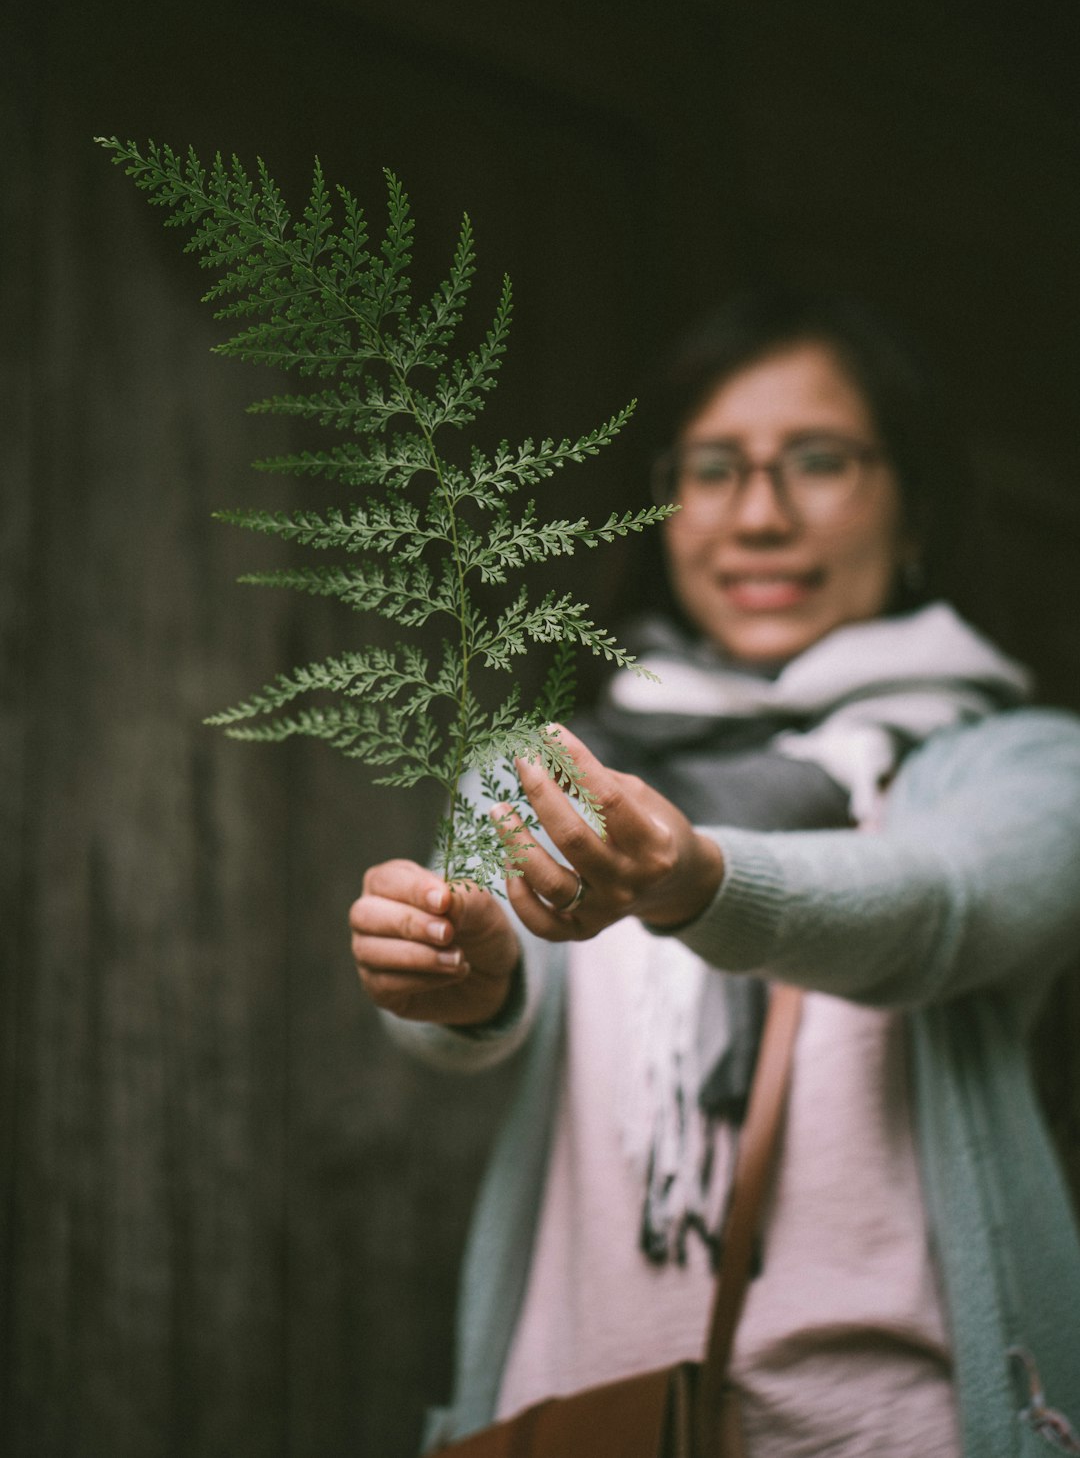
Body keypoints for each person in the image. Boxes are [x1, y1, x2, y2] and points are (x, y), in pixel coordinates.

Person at [349, 291, 1080, 1457]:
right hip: (579, 1425)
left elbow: (940, 905)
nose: (760, 515)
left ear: (916, 508)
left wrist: (700, 878)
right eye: (715, 468)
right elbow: (476, 1006)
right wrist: (456, 974)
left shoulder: (1025, 763)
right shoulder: (552, 767)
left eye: (819, 462)